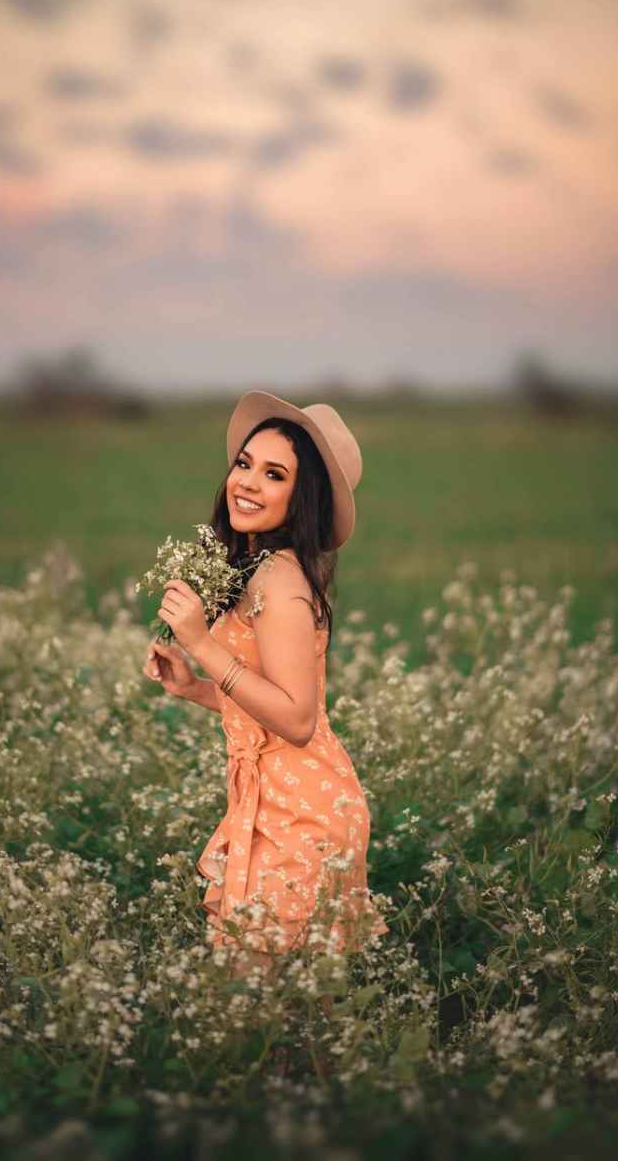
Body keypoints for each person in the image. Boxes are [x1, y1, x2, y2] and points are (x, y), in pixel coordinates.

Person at [142, 390, 389, 989]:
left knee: (267, 1002)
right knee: (277, 1009)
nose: (247, 482)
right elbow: (265, 703)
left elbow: (299, 720)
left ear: (299, 500)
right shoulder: (256, 567)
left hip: (302, 812)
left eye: (274, 474)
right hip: (272, 804)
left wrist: (202, 644)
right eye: (245, 463)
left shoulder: (280, 585)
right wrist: (195, 686)